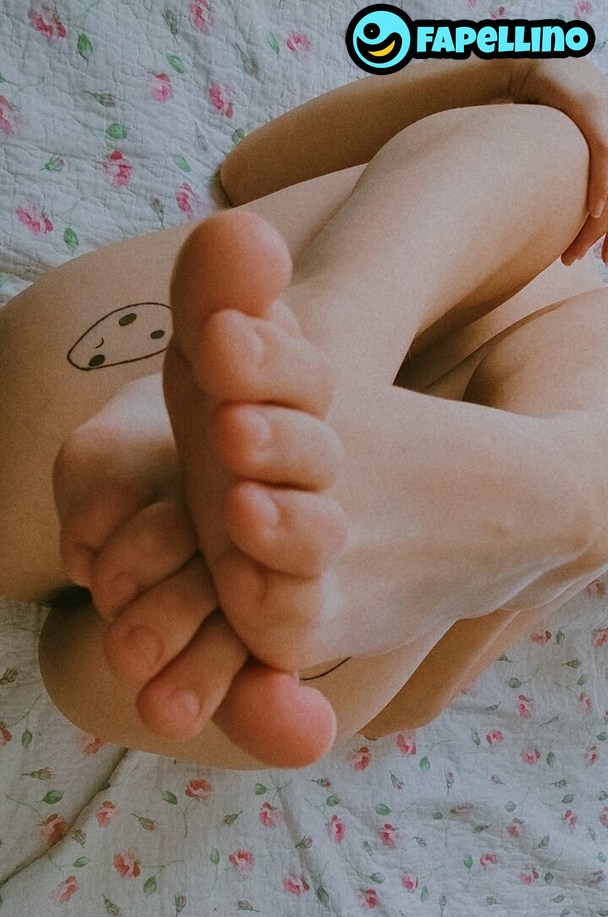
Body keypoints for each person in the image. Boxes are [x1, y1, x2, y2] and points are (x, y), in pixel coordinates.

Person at [3, 56, 608, 770]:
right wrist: (522, 80)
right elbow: (418, 699)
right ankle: (558, 495)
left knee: (558, 155)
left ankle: (332, 360)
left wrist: (512, 85)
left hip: (138, 417)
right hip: (266, 658)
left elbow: (253, 169)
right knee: (563, 154)